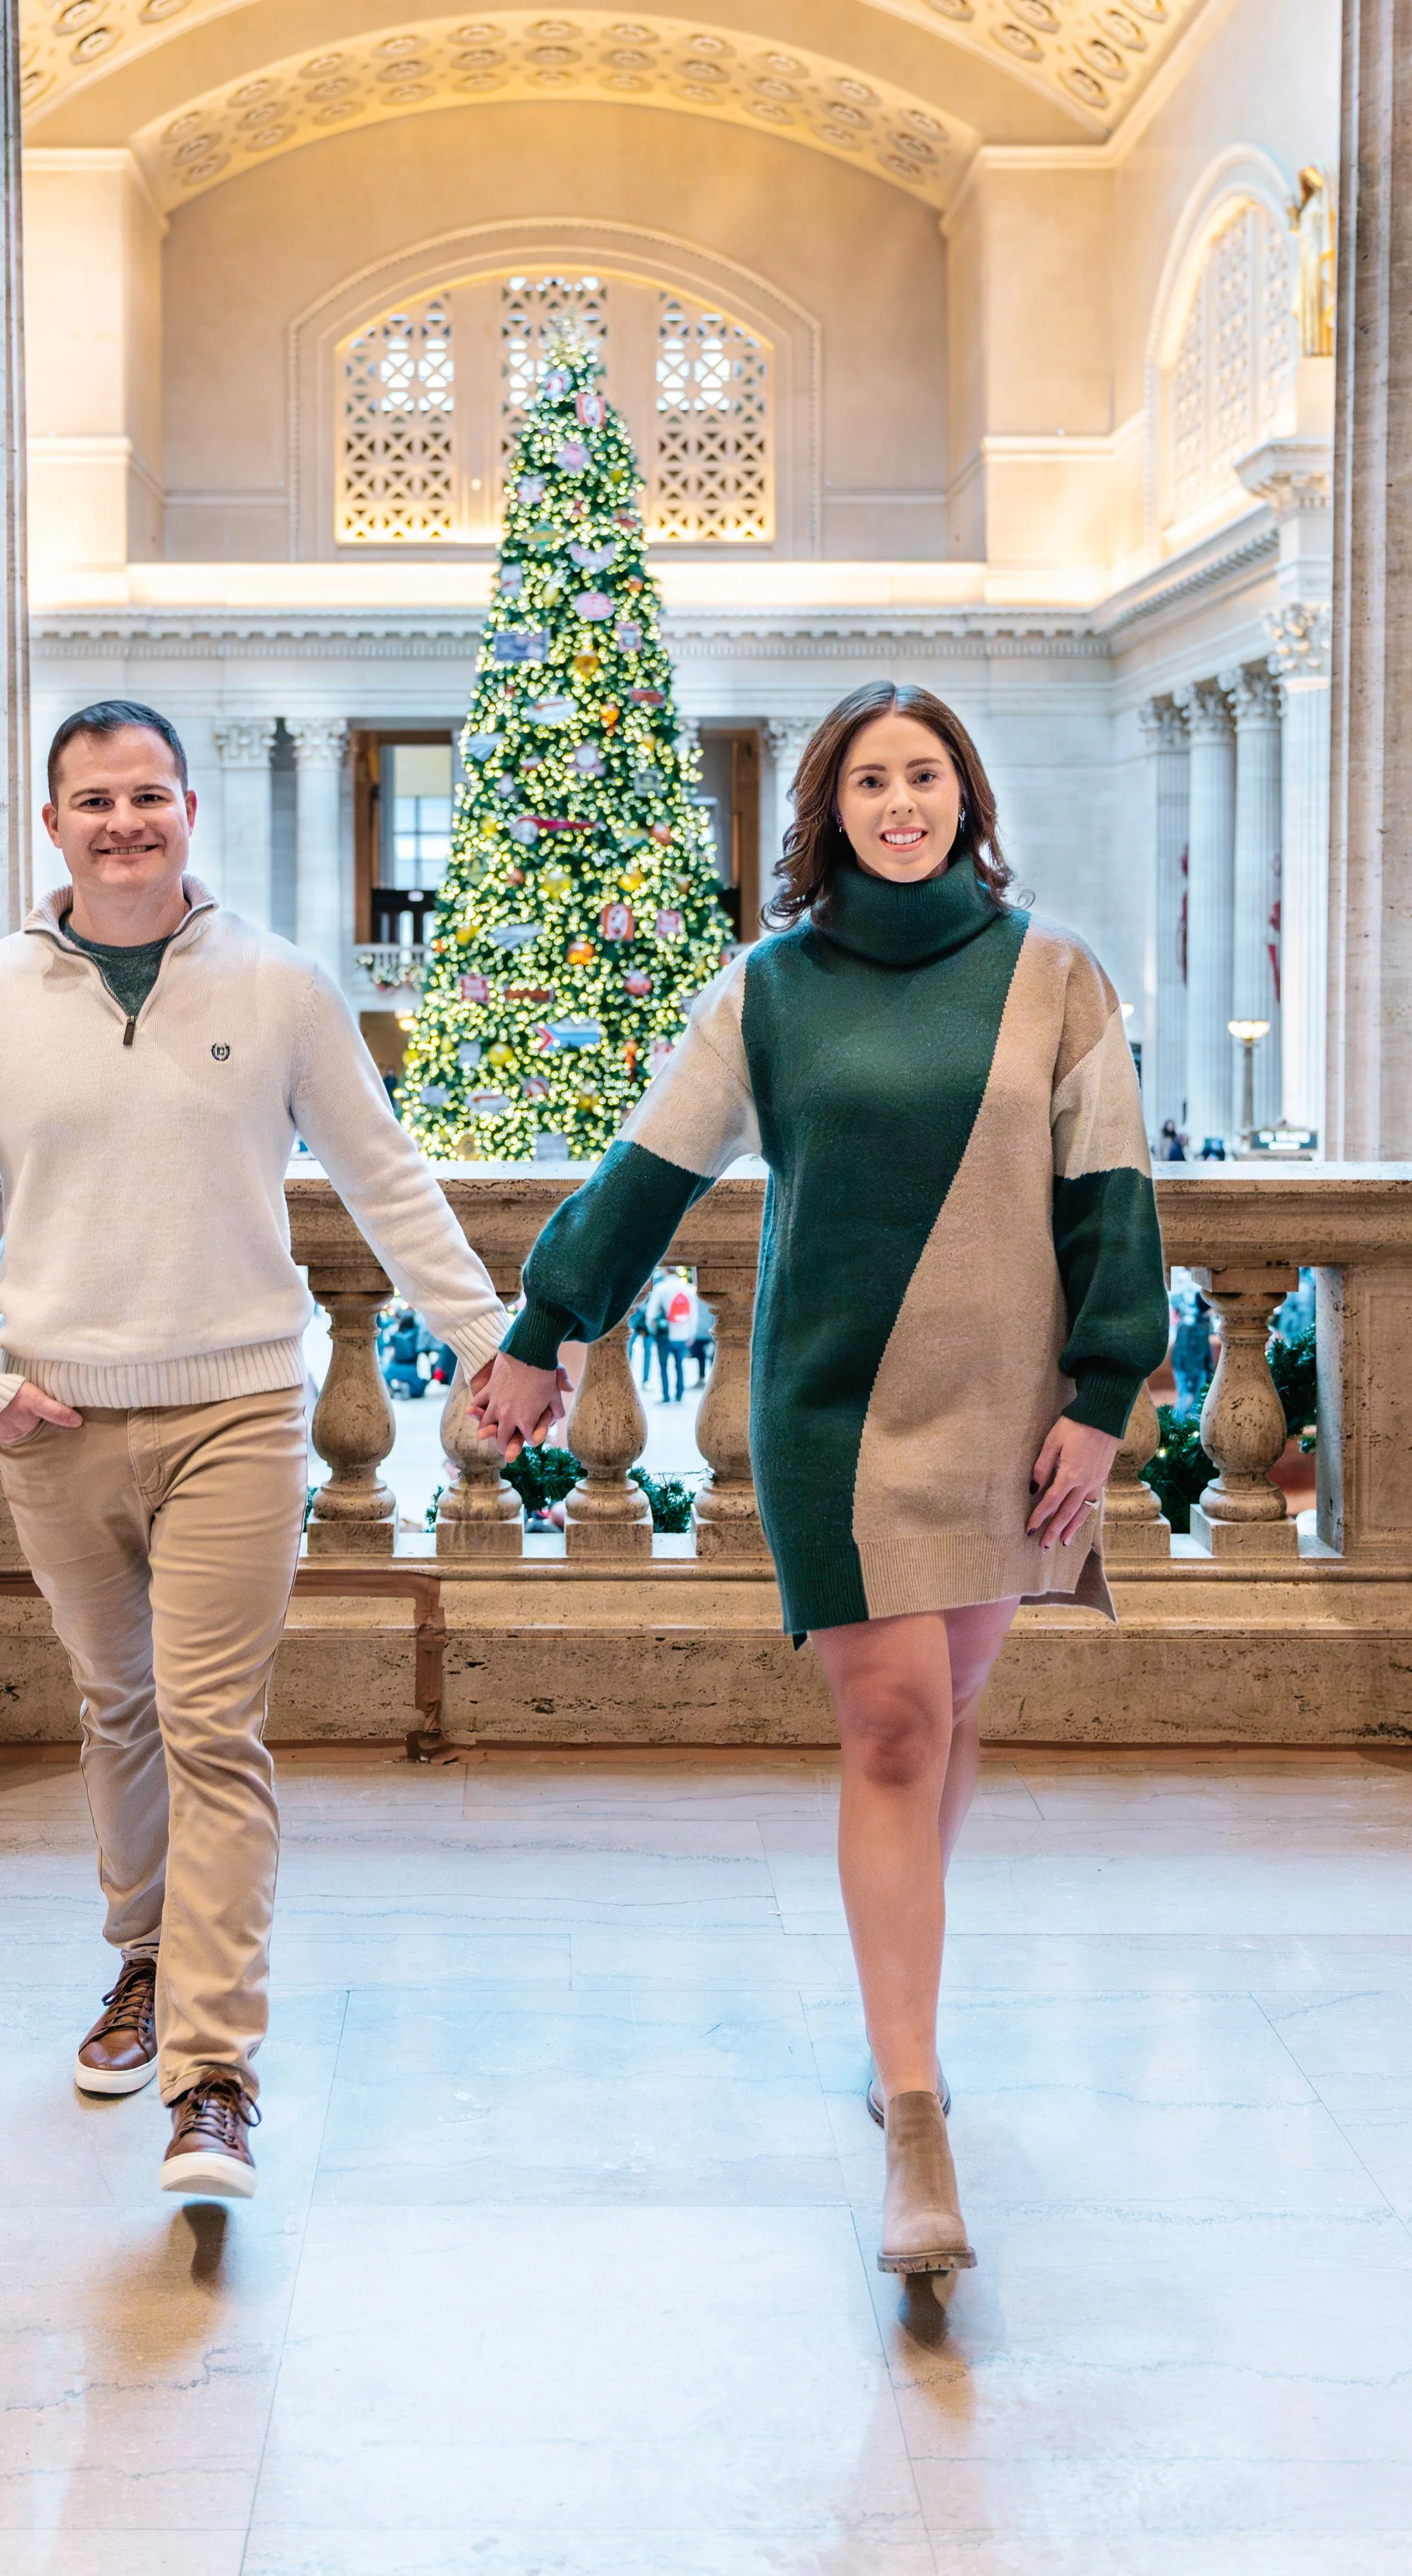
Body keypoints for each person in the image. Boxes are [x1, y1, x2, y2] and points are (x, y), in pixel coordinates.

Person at [469, 681, 1166, 2277]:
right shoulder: (767, 989)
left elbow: (1110, 1189)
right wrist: (543, 1321)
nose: (901, 802)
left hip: (1003, 1405)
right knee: (896, 1719)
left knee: (954, 1710)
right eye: (872, 779)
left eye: (925, 774)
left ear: (965, 796)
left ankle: (895, 2005)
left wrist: (1106, 1389)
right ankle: (913, 2104)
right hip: (834, 1406)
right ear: (828, 810)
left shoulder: (1054, 973)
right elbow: (651, 1165)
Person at [0, 700, 508, 2200]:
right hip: (54, 1422)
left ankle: (213, 2070)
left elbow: (383, 1176)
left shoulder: (280, 988)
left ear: (185, 811)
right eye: (94, 800)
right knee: (116, 1711)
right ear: (53, 827)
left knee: (209, 1724)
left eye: (148, 796)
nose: (124, 823)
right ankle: (143, 1964)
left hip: (237, 1410)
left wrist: (488, 1339)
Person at [646, 1265, 696, 1402]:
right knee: (679, 1365)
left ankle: (666, 1395)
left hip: (665, 1335)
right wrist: (691, 1333)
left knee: (663, 1366)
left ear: (665, 1270)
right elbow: (693, 1314)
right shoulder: (687, 1289)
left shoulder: (661, 1288)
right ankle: (680, 1394)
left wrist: (652, 1329)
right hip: (683, 1333)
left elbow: (651, 1314)